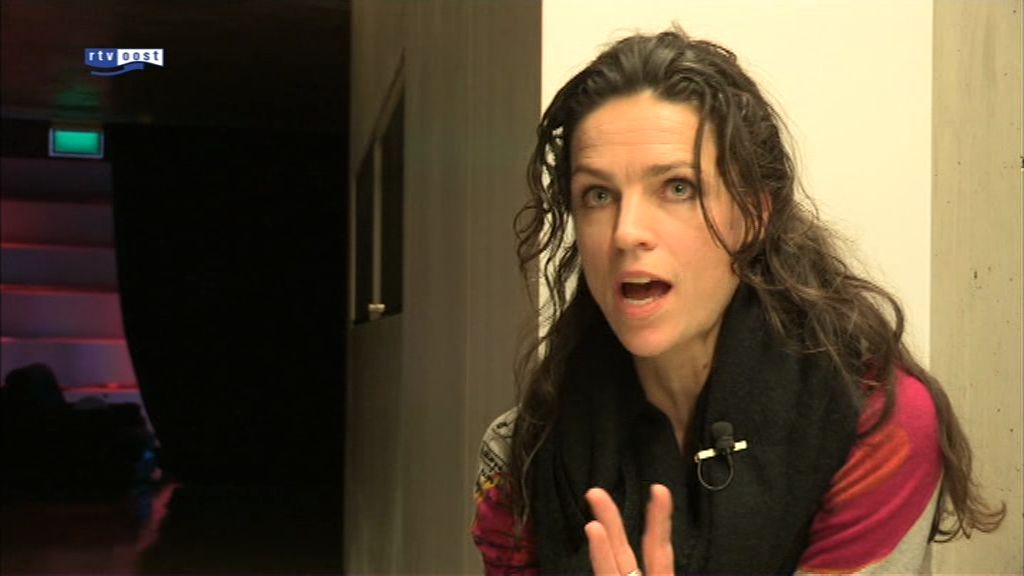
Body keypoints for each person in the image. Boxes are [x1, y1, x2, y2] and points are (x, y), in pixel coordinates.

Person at [471, 26, 1005, 575]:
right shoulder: (518, 458)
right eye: (598, 195)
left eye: (677, 187)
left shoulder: (879, 428)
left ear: (753, 215)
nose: (626, 232)